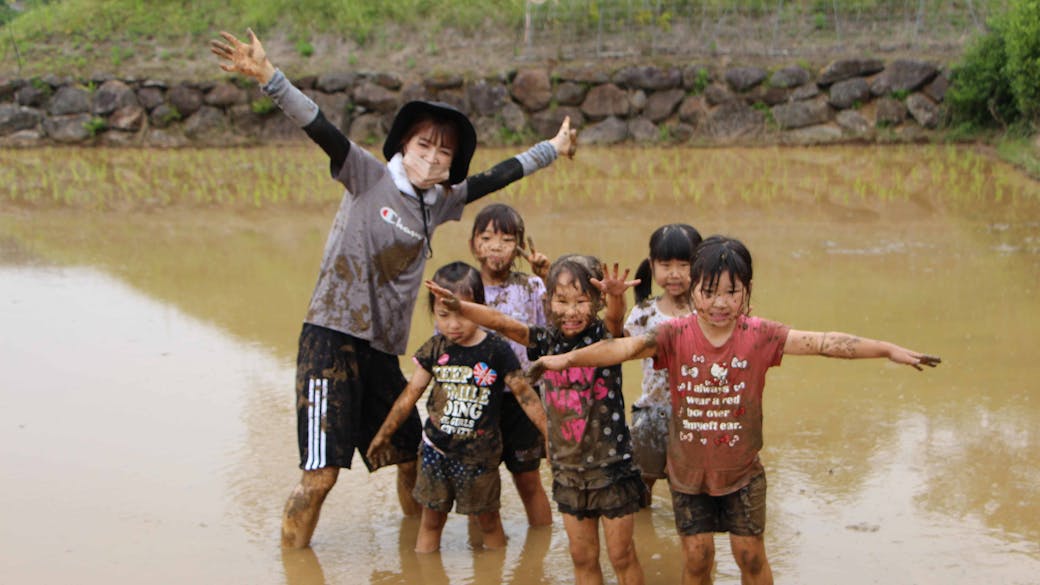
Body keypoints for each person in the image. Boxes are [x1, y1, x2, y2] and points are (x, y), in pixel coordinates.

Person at [209, 29, 577, 549]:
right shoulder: (367, 175)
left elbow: (499, 176)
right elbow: (319, 125)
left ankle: (414, 561)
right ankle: (292, 564)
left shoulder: (441, 203)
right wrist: (269, 76)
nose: (432, 157)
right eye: (424, 144)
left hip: (382, 350)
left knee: (409, 458)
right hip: (330, 339)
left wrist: (554, 149)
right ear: (404, 144)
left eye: (443, 152)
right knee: (321, 476)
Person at [529, 235, 941, 585]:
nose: (720, 303)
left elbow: (824, 343)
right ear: (693, 291)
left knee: (751, 558)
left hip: (742, 474)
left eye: (731, 291)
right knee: (697, 559)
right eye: (709, 292)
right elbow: (624, 347)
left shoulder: (760, 335)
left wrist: (886, 349)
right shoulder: (672, 334)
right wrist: (564, 360)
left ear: (747, 290)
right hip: (688, 476)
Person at [427, 256, 646, 585]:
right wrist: (460, 306)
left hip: (610, 465)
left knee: (621, 555)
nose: (571, 312)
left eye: (581, 301)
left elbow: (616, 321)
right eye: (561, 301)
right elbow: (501, 322)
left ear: (596, 302)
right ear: (547, 302)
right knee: (582, 556)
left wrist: (616, 296)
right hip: (568, 469)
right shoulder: (545, 340)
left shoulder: (605, 336)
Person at [366, 262, 548, 553]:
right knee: (430, 523)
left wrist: (549, 435)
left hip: (480, 457)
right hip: (436, 453)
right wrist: (383, 435)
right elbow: (410, 394)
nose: (453, 324)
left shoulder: (497, 350)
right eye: (443, 315)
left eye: (462, 313)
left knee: (489, 522)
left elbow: (525, 395)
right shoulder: (435, 349)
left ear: (479, 308)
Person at [468, 203, 553, 527]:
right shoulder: (466, 288)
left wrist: (547, 275)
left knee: (528, 479)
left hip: (523, 397)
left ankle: (541, 551)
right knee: (479, 482)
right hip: (478, 397)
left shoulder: (531, 286)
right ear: (473, 244)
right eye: (487, 237)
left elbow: (556, 326)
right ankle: (485, 553)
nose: (495, 247)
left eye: (506, 239)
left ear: (519, 246)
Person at [625, 224, 702, 506]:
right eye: (665, 264)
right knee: (643, 477)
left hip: (696, 411)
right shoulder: (644, 312)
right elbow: (620, 348)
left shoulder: (709, 312)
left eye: (684, 265)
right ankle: (643, 528)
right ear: (652, 266)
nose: (674, 273)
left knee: (686, 483)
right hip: (652, 410)